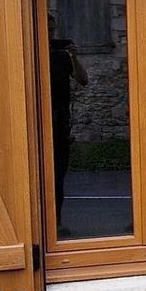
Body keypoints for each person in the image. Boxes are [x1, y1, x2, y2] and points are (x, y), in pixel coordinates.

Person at [48, 15, 87, 236]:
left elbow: (83, 80)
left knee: (58, 175)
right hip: (38, 121)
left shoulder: (63, 57)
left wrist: (74, 57)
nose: (51, 34)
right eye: (47, 30)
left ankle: (57, 222)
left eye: (52, 29)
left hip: (60, 121)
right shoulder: (29, 52)